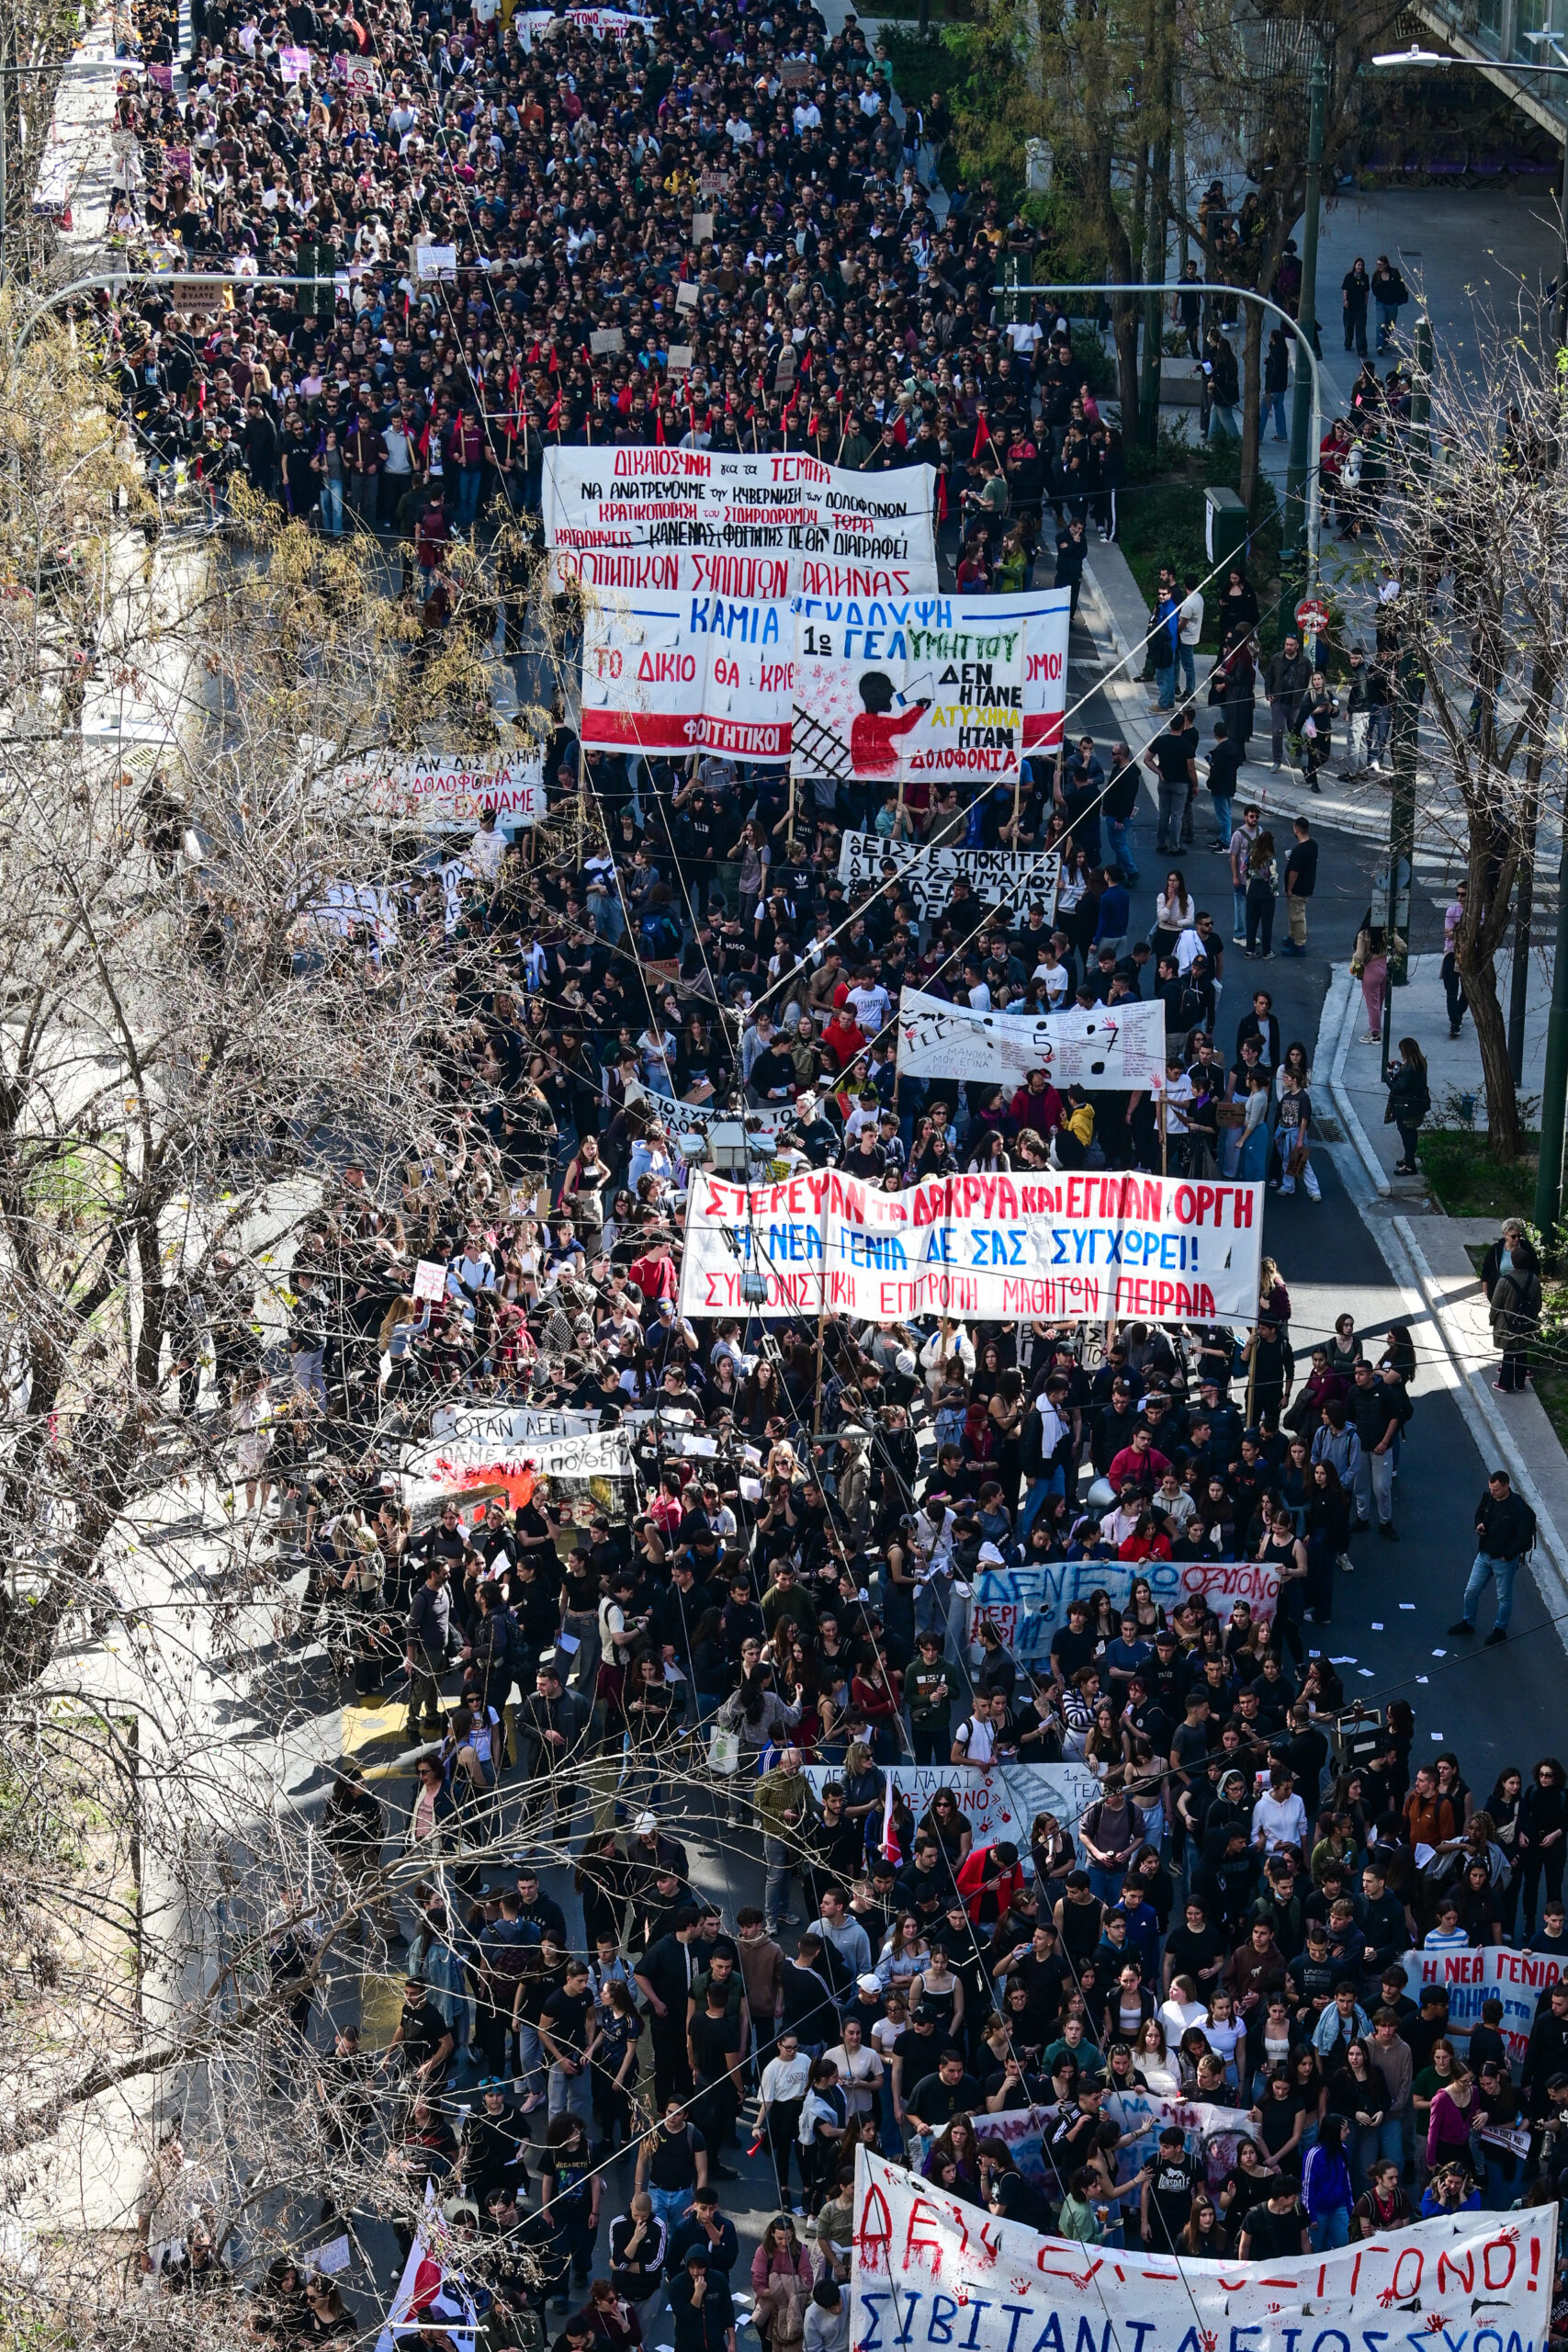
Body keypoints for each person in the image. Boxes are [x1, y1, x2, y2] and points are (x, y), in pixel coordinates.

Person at [1488, 1234, 1541, 1393]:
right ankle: (1520, 1384)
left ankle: (1505, 1384)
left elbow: (1496, 1305)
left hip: (1507, 1322)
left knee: (1509, 1353)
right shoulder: (1534, 1280)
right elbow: (1538, 1304)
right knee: (1522, 1351)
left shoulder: (1504, 1281)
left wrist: (1492, 1320)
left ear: (1513, 1261)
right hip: (1526, 1322)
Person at [1384, 1038, 1429, 1176]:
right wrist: (1397, 1067)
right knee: (1411, 1133)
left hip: (1406, 1108)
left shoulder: (1410, 1069)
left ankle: (1410, 1166)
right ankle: (1408, 1158)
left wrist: (1387, 1076)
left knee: (1407, 1136)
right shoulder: (1420, 1062)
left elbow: (1398, 1087)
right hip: (1417, 1105)